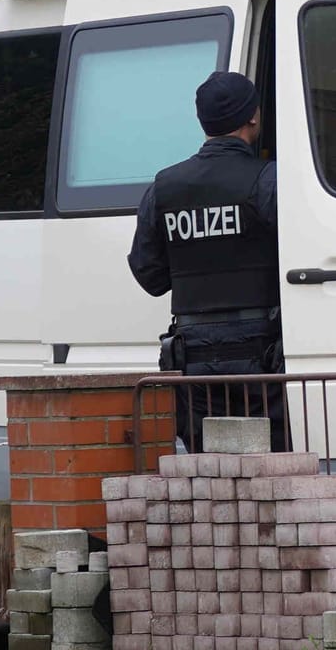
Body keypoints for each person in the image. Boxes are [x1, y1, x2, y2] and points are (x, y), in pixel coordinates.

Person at [127, 71, 288, 451]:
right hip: (259, 354)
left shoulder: (164, 186)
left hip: (193, 358)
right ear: (254, 117)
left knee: (207, 469)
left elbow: (149, 275)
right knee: (273, 466)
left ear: (203, 123)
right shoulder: (269, 180)